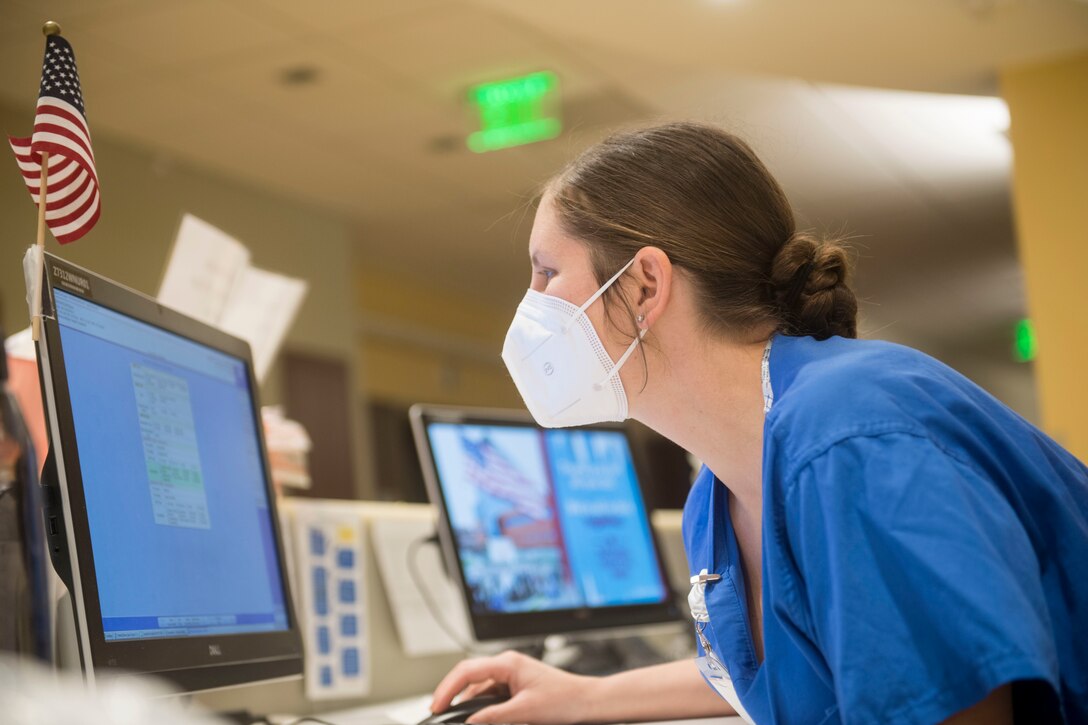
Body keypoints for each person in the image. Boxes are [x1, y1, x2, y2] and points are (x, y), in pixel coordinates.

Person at [428, 122, 1088, 724]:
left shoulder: (849, 438)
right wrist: (584, 697)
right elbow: (790, 669)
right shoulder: (718, 494)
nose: (531, 306)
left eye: (547, 272)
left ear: (645, 285)